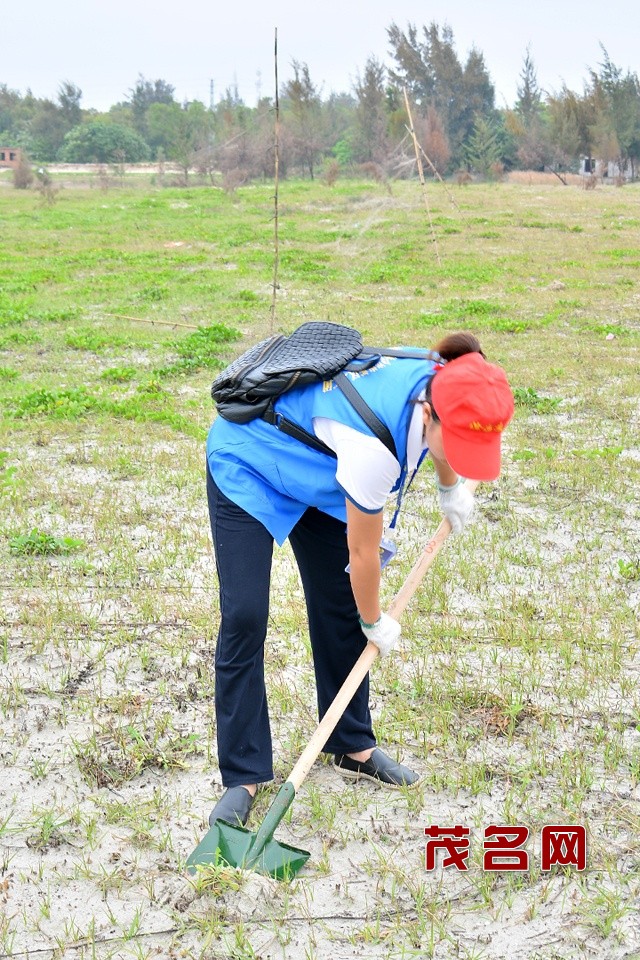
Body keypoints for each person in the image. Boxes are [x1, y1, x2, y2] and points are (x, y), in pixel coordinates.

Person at [205, 330, 514, 827]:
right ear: (429, 413)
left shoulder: (443, 377)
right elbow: (363, 554)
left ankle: (351, 744)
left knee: (338, 603)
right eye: (459, 444)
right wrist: (374, 620)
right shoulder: (373, 448)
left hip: (324, 470)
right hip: (252, 457)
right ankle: (243, 774)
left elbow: (443, 437)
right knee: (245, 614)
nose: (462, 453)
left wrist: (449, 487)